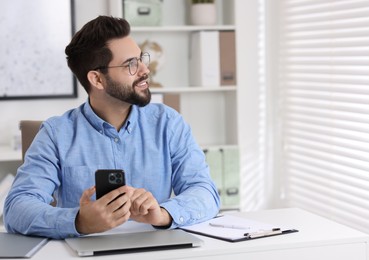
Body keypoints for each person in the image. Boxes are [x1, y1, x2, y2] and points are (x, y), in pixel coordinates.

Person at [3, 15, 220, 239]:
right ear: (97, 79)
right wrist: (79, 221)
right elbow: (17, 207)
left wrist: (163, 214)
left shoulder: (168, 124)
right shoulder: (56, 134)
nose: (145, 70)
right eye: (131, 65)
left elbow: (205, 192)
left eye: (141, 59)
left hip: (156, 249)